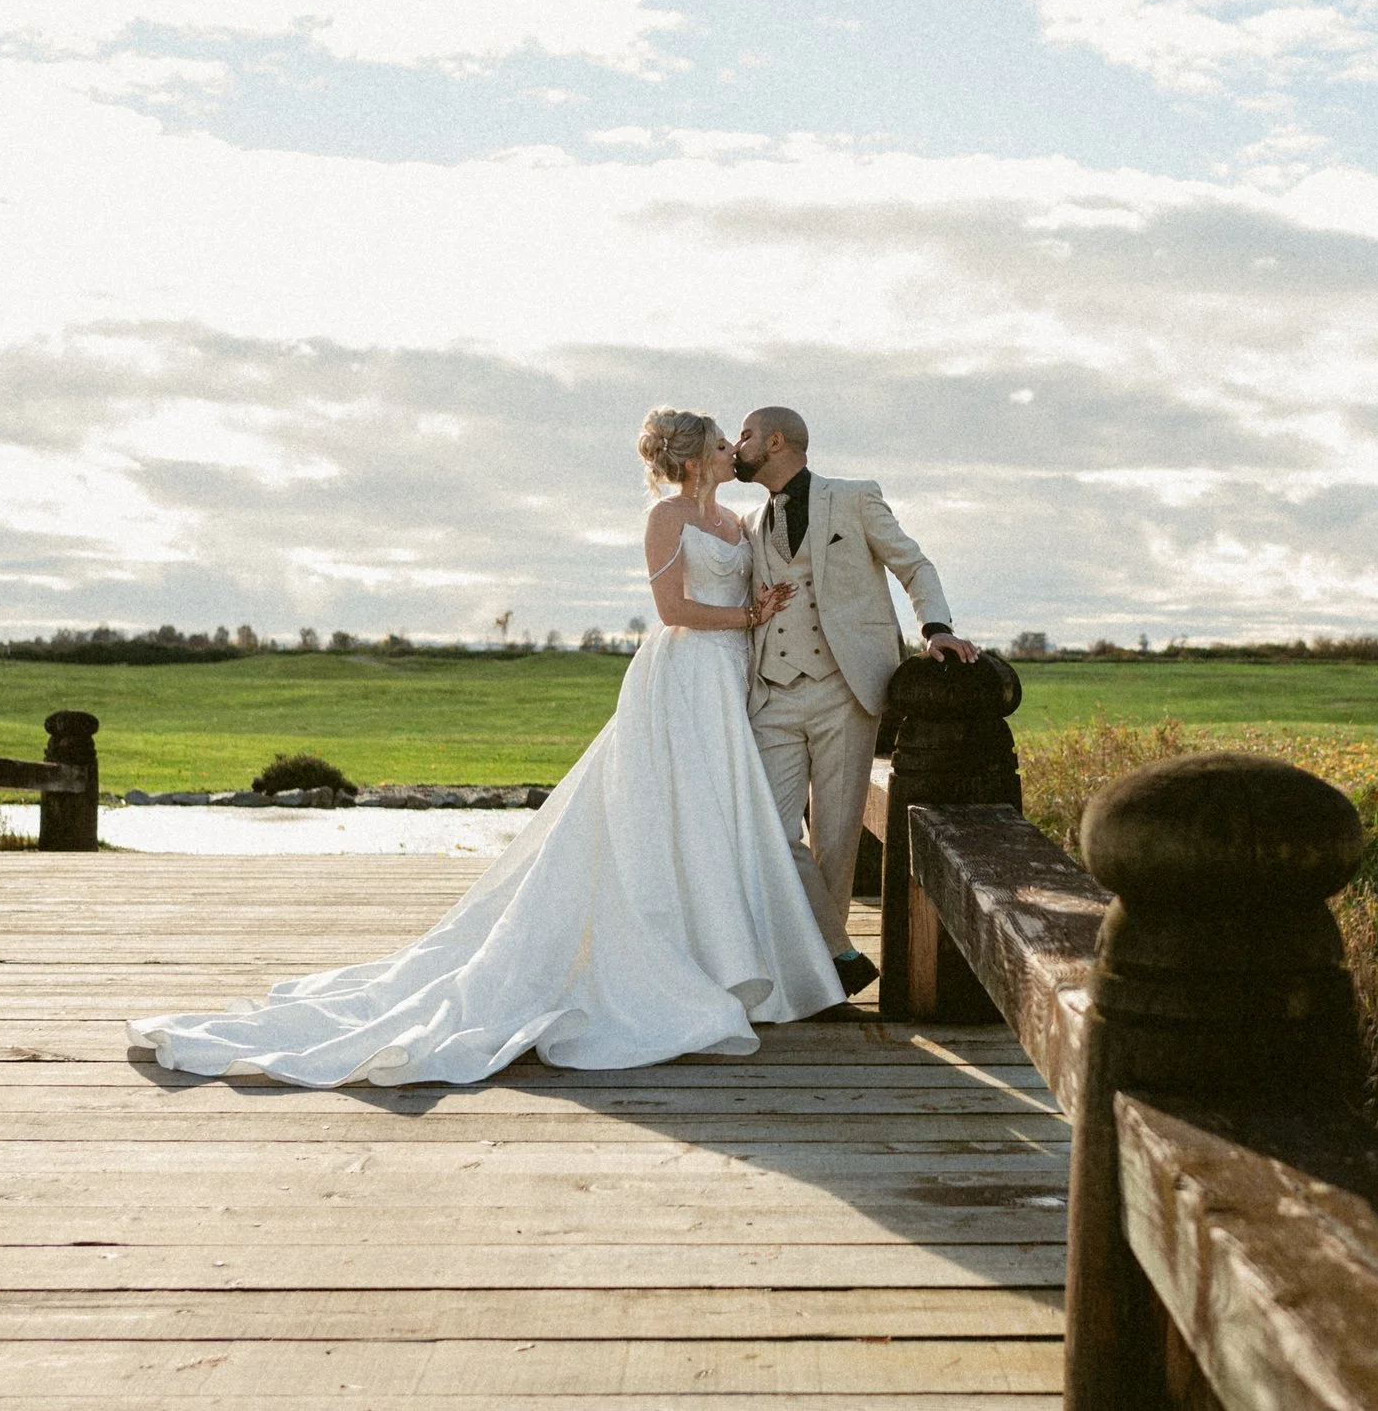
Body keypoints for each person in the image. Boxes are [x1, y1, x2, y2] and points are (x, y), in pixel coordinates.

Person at [128, 408, 845, 1086]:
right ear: (694, 459)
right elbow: (670, 610)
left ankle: (729, 959)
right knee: (667, 812)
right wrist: (746, 614)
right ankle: (676, 965)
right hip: (683, 673)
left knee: (716, 819)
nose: (732, 452)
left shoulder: (737, 520)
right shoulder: (667, 517)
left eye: (736, 443)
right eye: (723, 443)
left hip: (729, 682)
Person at [731, 406, 975, 995]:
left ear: (777, 441)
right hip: (773, 693)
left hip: (845, 690)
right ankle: (841, 954)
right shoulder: (747, 521)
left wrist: (935, 627)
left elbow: (913, 565)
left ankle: (820, 977)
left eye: (744, 436)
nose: (736, 446)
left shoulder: (855, 497)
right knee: (770, 830)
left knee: (837, 841)